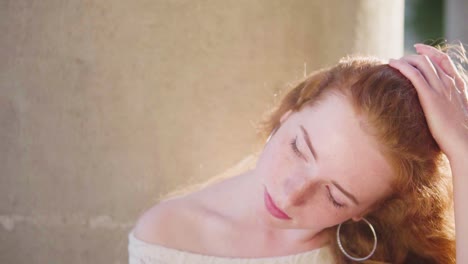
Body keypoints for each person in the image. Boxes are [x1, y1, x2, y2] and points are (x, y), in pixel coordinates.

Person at [128, 43, 467, 263]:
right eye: (298, 148)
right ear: (289, 113)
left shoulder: (382, 252)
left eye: (335, 196)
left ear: (366, 211)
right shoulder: (166, 238)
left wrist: (462, 151)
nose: (290, 195)